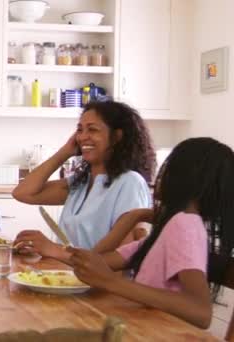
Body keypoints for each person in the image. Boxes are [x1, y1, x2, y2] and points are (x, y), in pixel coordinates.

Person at [68, 137, 234, 329]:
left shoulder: (185, 224)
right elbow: (95, 262)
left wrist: (111, 282)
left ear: (184, 176)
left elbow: (201, 313)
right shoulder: (170, 228)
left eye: (169, 167)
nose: (160, 176)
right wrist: (133, 217)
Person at [13, 101, 155, 259]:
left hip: (96, 283)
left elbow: (123, 258)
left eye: (92, 130)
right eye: (79, 130)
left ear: (116, 137)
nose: (82, 137)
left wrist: (54, 250)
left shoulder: (130, 183)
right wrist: (65, 151)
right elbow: (22, 193)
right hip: (67, 278)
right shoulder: (81, 183)